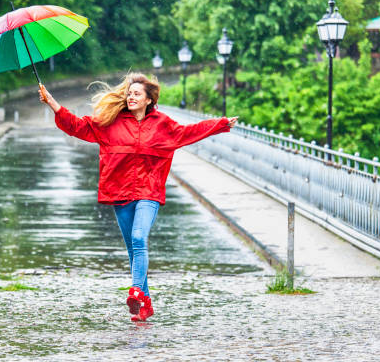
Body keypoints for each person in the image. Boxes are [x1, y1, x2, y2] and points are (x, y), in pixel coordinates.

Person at [38, 73, 237, 322]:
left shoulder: (163, 125)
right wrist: (52, 102)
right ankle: (145, 303)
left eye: (136, 94)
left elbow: (189, 132)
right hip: (120, 193)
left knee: (139, 237)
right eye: (129, 94)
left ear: (148, 100)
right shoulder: (110, 122)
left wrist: (221, 124)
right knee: (134, 251)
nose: (131, 97)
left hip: (149, 192)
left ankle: (136, 291)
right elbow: (77, 126)